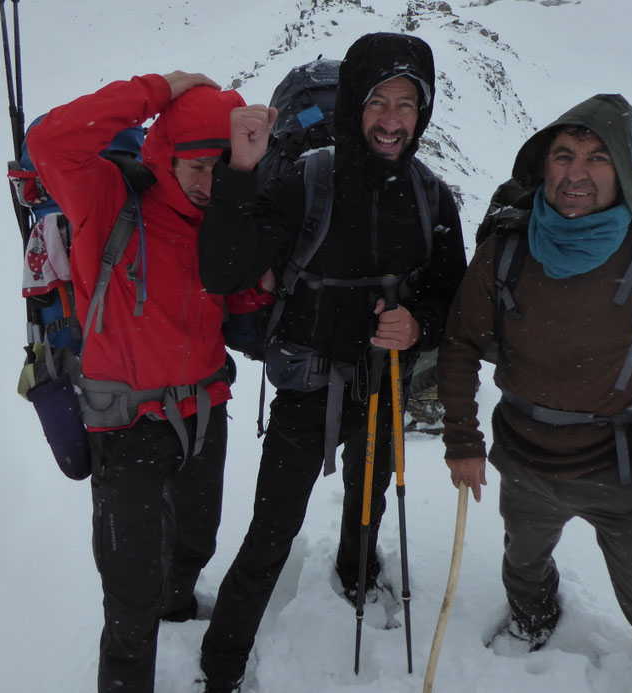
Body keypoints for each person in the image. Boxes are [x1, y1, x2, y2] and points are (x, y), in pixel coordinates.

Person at [195, 33, 467, 691]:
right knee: (269, 534)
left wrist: (420, 323)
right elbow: (221, 270)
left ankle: (356, 572)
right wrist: (241, 172)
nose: (393, 119)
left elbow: (450, 298)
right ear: (353, 103)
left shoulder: (433, 197)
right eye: (379, 100)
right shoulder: (305, 181)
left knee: (367, 501)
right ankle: (220, 666)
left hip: (383, 383)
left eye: (408, 103)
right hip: (307, 388)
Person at [438, 93, 632, 688]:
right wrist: (461, 437)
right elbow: (458, 345)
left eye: (597, 158)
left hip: (621, 463)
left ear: (623, 173)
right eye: (563, 156)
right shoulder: (505, 252)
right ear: (544, 166)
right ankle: (534, 619)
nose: (577, 173)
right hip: (524, 454)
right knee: (524, 563)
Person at [27, 71, 266, 693]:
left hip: (205, 412)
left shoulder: (227, 216)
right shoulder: (108, 201)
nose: (207, 183)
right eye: (194, 165)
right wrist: (161, 87)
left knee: (195, 540)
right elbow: (51, 143)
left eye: (220, 166)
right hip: (126, 424)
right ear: (163, 154)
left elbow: (230, 303)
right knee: (129, 591)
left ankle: (180, 608)